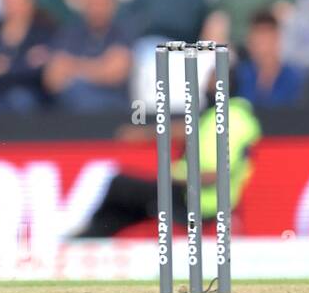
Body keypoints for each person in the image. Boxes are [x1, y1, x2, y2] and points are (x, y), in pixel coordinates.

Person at [73, 63, 261, 237]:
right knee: (128, 205)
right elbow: (183, 130)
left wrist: (174, 176)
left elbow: (217, 175)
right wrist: (142, 134)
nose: (204, 85)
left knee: (121, 187)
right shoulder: (220, 115)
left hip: (199, 204)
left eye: (210, 79)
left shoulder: (232, 119)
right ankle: (91, 240)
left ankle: (88, 240)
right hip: (189, 195)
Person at [42, 0, 133, 111]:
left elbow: (116, 73)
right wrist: (99, 67)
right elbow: (52, 79)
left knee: (79, 91)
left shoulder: (122, 31)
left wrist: (73, 67)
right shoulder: (69, 33)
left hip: (111, 111)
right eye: (92, 2)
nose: (97, 9)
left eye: (102, 2)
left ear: (112, 4)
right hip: (70, 115)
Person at [236, 11, 305, 107]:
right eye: (259, 42)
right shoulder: (238, 77)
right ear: (250, 43)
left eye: (269, 41)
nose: (264, 48)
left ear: (278, 40)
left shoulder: (295, 78)